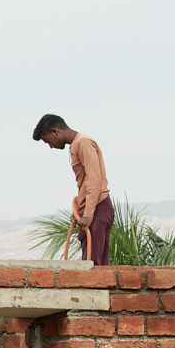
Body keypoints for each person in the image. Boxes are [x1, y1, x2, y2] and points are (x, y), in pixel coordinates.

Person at [35, 114, 112, 266]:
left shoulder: (83, 143)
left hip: (98, 207)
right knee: (94, 265)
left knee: (93, 267)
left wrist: (89, 214)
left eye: (47, 141)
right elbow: (85, 182)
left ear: (55, 132)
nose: (50, 146)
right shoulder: (76, 145)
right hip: (93, 207)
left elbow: (94, 179)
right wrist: (79, 209)